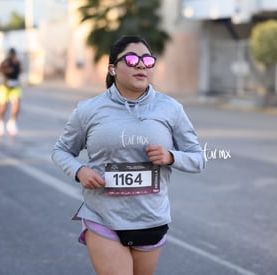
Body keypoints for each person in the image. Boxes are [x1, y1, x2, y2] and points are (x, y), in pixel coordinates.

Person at [51, 35, 205, 275]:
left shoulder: (170, 108)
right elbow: (61, 151)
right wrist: (79, 171)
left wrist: (171, 157)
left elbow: (198, 158)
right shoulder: (89, 110)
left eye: (147, 60)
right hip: (103, 216)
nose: (142, 64)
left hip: (150, 218)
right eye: (132, 59)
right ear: (112, 68)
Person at [0, 48, 22, 136]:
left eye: (14, 54)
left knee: (16, 104)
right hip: (5, 86)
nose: (13, 56)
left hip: (15, 87)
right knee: (3, 106)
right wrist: (7, 70)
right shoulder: (5, 62)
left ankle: (12, 123)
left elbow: (20, 71)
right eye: (12, 54)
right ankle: (0, 123)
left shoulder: (18, 62)